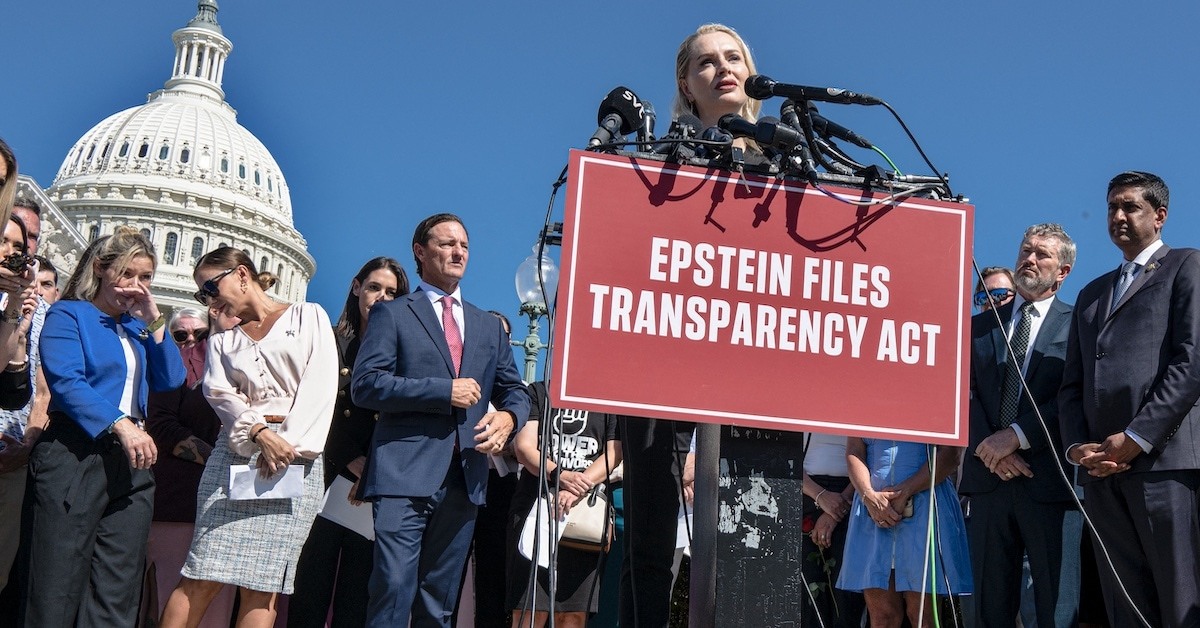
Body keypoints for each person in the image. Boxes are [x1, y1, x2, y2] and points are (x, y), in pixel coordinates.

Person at [352, 213, 530, 627]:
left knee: (440, 599)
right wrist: (441, 391)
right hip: (403, 474)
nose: (458, 252)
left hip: (467, 477)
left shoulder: (489, 326)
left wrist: (507, 417)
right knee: (393, 588)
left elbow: (515, 390)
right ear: (420, 251)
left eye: (464, 245)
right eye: (447, 243)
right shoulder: (392, 314)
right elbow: (366, 385)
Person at [159, 247, 338, 628]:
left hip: (297, 456)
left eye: (211, 287)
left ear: (242, 274)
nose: (209, 300)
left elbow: (320, 387)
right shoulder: (224, 340)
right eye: (201, 295)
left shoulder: (309, 316)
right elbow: (219, 393)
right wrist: (259, 434)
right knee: (200, 573)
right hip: (237, 451)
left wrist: (287, 444)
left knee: (264, 585)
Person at [19, 225, 185, 626]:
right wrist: (120, 423)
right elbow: (66, 381)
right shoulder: (68, 314)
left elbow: (172, 380)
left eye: (145, 277)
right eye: (128, 274)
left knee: (118, 587)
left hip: (130, 464)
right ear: (101, 268)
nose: (136, 286)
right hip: (76, 455)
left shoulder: (136, 328)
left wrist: (155, 322)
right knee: (57, 584)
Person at [1059, 171, 1200, 627]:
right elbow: (1071, 387)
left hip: (1165, 464)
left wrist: (1138, 437)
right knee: (1126, 605)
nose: (1118, 216)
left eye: (1130, 207)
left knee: (1179, 598)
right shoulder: (1091, 294)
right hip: (1101, 473)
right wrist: (1078, 448)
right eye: (1111, 207)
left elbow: (1191, 362)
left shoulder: (1186, 266)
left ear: (1159, 216)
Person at [961, 224, 1081, 627]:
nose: (1029, 259)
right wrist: (989, 448)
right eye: (1025, 250)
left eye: (1042, 254)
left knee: (1055, 609)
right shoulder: (978, 327)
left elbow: (1072, 395)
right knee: (988, 609)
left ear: (1062, 272)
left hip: (1049, 483)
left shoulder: (1080, 323)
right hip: (988, 483)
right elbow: (964, 395)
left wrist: (1016, 436)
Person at [290, 256, 408, 628]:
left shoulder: (405, 357)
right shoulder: (330, 341)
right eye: (374, 287)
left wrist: (373, 467)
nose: (381, 298)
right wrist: (348, 458)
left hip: (373, 484)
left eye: (392, 292)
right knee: (309, 584)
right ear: (357, 287)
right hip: (323, 475)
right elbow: (313, 407)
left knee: (357, 594)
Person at [143, 306, 240, 627]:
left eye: (199, 334)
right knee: (171, 597)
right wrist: (217, 460)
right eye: (180, 335)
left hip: (226, 505)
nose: (190, 341)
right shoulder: (174, 370)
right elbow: (161, 425)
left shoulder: (241, 367)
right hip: (179, 504)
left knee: (216, 608)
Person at [506, 382, 621, 628]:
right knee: (528, 610)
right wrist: (559, 476)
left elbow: (614, 453)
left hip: (585, 515)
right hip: (534, 511)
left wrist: (580, 485)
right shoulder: (539, 391)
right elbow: (524, 447)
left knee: (572, 615)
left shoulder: (609, 396)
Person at [838, 438, 972, 627]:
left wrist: (906, 490)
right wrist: (868, 495)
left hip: (925, 505)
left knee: (923, 617)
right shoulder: (863, 406)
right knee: (882, 617)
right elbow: (854, 451)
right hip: (873, 510)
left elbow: (951, 455)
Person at [801, 433, 867, 628]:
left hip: (853, 494)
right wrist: (820, 496)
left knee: (846, 592)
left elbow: (868, 458)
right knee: (810, 590)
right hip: (807, 490)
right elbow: (783, 457)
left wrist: (837, 509)